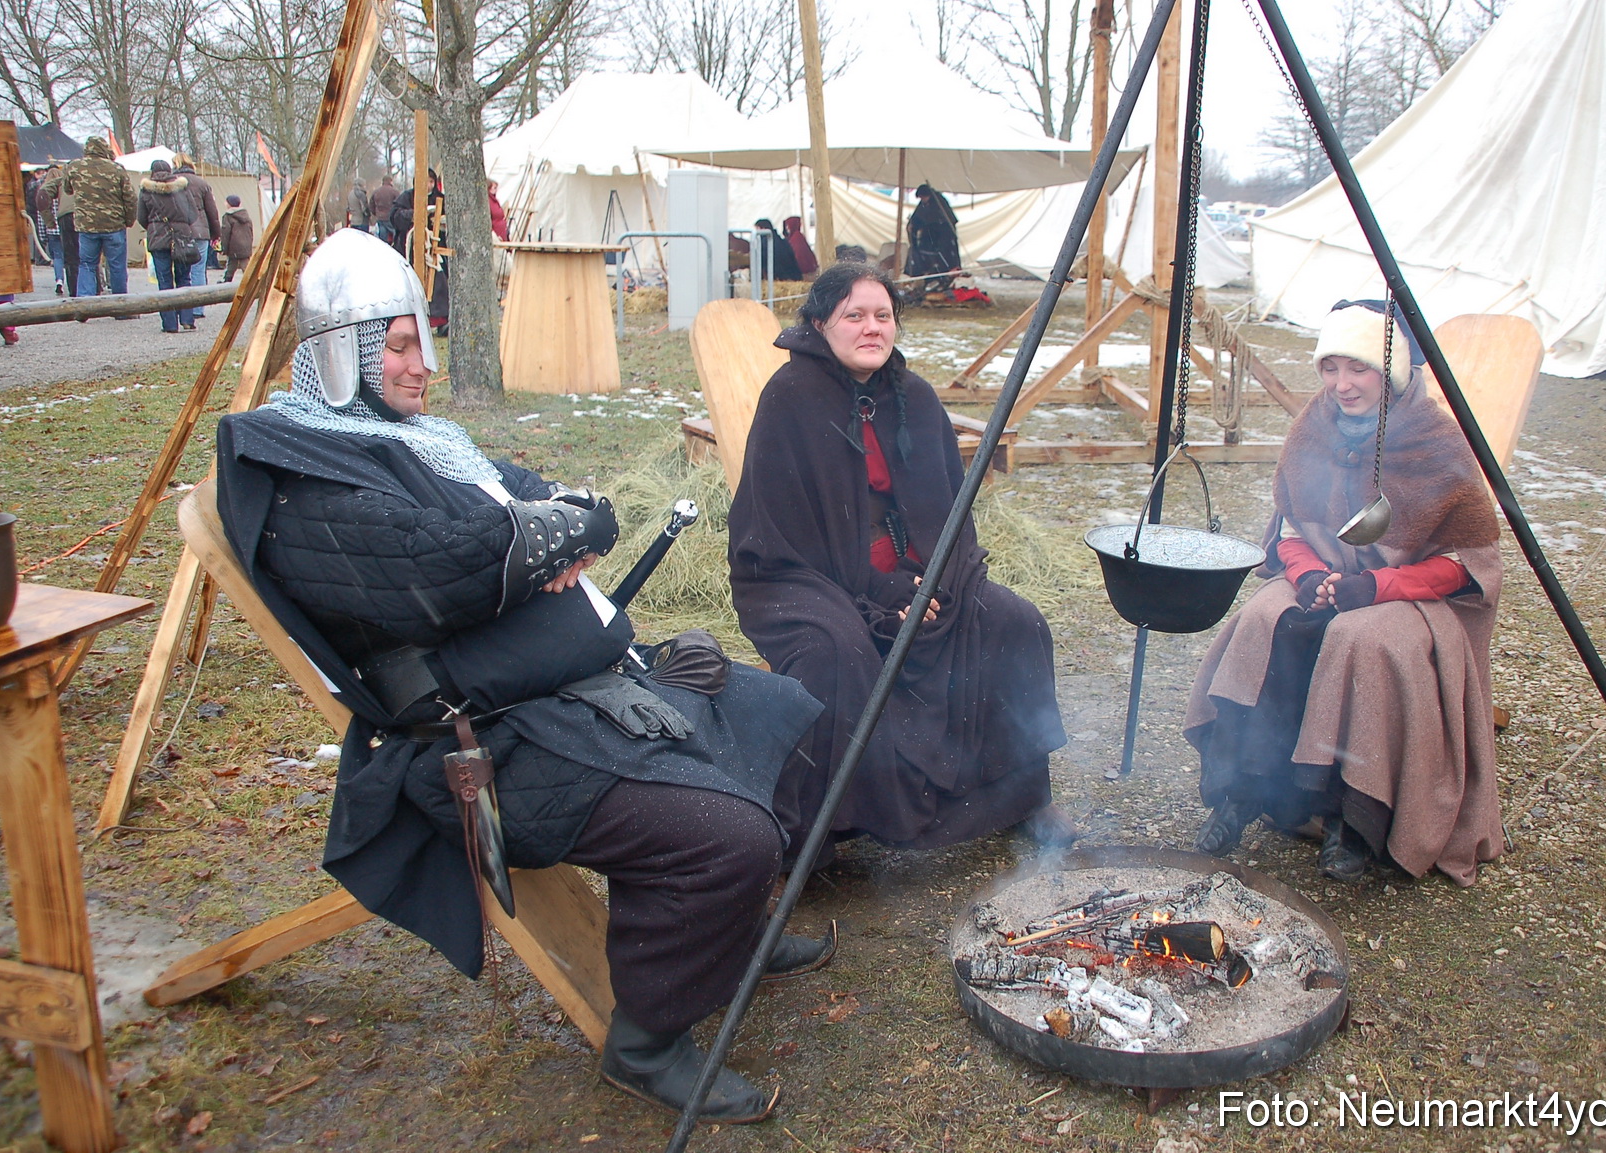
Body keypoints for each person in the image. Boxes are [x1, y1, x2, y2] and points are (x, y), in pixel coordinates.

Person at [217, 229, 828, 1124]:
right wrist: (534, 538)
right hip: (479, 742)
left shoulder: (423, 439)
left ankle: (723, 940)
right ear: (338, 356)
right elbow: (439, 569)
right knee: (726, 838)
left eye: (422, 337)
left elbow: (563, 501)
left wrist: (555, 529)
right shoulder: (302, 472)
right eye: (396, 344)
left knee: (772, 714)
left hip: (556, 693)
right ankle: (647, 1043)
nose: (421, 362)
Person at [728, 263, 1073, 865]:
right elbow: (783, 531)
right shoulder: (791, 399)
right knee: (835, 654)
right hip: (804, 577)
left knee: (1014, 622)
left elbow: (950, 506)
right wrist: (884, 591)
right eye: (854, 316)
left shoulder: (912, 395)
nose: (871, 328)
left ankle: (1023, 797)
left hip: (921, 574)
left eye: (882, 316)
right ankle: (819, 836)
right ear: (818, 323)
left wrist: (938, 580)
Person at [1183, 299, 1504, 885]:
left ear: (1392, 373)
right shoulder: (1313, 426)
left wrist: (1377, 584)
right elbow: (1288, 528)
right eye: (1330, 368)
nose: (1342, 384)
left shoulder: (1436, 440)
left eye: (1358, 368)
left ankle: (1348, 821)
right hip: (1325, 577)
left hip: (1410, 598)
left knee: (1361, 640)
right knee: (1266, 618)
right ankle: (1245, 791)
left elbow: (1467, 563)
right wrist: (1307, 575)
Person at [61, 136, 135, 299]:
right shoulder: (117, 169)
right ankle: (120, 306)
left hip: (87, 226)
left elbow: (67, 189)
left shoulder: (74, 167)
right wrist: (129, 220)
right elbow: (129, 198)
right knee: (117, 266)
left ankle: (85, 304)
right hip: (114, 225)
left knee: (87, 265)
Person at [136, 159, 199, 333]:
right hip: (182, 237)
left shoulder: (146, 190)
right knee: (184, 279)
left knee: (164, 281)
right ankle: (187, 319)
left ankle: (170, 324)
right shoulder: (182, 188)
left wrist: (154, 225)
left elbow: (141, 217)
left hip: (158, 237)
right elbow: (193, 214)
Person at [175, 156, 222, 319]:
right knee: (198, 269)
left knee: (181, 271)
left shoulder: (172, 182)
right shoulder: (202, 183)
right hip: (201, 231)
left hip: (179, 232)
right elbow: (212, 211)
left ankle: (181, 307)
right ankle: (198, 308)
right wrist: (216, 234)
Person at [903, 184, 960, 296]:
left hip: (943, 238)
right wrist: (912, 225)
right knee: (922, 254)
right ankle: (925, 279)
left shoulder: (939, 203)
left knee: (942, 260)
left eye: (923, 197)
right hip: (929, 237)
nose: (922, 200)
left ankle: (942, 281)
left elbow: (944, 222)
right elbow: (918, 217)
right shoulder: (923, 204)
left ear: (928, 195)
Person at [38, 162, 77, 296]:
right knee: (79, 255)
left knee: (59, 257)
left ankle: (59, 280)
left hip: (53, 229)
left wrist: (45, 232)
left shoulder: (45, 189)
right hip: (68, 223)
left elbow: (40, 212)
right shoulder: (66, 187)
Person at [752, 218, 798, 286]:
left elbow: (761, 261)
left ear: (763, 228)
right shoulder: (782, 240)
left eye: (757, 229)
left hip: (778, 277)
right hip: (792, 276)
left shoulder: (764, 242)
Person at [219, 194, 253, 283]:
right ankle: (251, 283)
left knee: (231, 264)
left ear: (229, 204)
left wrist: (224, 248)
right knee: (245, 266)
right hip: (246, 245)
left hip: (233, 246)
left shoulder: (227, 216)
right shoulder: (246, 216)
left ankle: (226, 282)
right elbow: (250, 231)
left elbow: (225, 234)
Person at [370, 174, 397, 244]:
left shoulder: (376, 192)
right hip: (391, 218)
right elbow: (399, 204)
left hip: (380, 218)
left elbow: (371, 205)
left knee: (382, 238)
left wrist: (376, 213)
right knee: (395, 236)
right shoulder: (394, 192)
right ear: (390, 181)